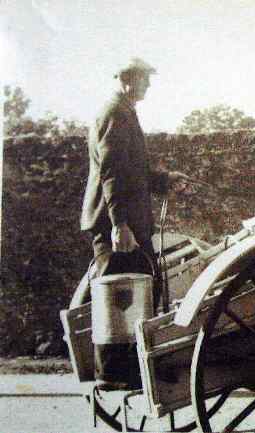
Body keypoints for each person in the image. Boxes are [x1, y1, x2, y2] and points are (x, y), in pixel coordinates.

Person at [79, 57, 188, 389]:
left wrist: (165, 179)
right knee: (116, 291)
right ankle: (111, 374)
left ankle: (132, 369)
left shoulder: (124, 111)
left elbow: (132, 171)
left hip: (127, 221)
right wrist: (118, 225)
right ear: (128, 79)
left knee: (138, 292)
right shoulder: (115, 113)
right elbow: (111, 173)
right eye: (145, 79)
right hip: (117, 222)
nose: (148, 85)